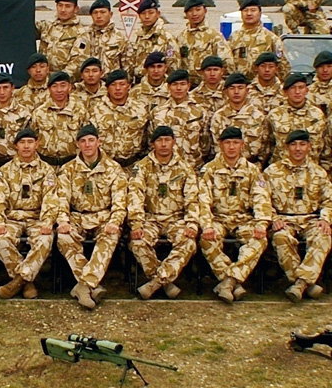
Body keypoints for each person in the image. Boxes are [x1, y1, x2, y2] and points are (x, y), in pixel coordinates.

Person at [56, 124, 127, 309]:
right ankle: (90, 286)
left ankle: (84, 285)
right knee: (64, 237)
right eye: (83, 141)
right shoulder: (68, 169)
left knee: (110, 236)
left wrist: (114, 222)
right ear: (78, 144)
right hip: (78, 217)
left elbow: (120, 202)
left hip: (103, 216)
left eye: (91, 140)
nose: (87, 145)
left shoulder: (113, 168)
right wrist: (63, 221)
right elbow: (61, 198)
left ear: (99, 142)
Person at [198, 126, 272, 303]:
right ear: (220, 145)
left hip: (243, 219)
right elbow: (202, 201)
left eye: (236, 143)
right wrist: (207, 225)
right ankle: (233, 283)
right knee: (206, 240)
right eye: (228, 143)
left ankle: (228, 281)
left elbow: (261, 198)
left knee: (259, 239)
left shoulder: (252, 171)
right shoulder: (208, 170)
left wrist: (261, 223)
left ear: (242, 145)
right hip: (218, 219)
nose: (232, 147)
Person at [128, 125, 199, 300]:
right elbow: (135, 196)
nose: (164, 144)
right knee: (137, 242)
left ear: (174, 142)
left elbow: (192, 198)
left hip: (176, 220)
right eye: (159, 140)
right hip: (150, 219)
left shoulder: (184, 168)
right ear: (153, 144)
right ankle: (166, 282)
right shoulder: (142, 167)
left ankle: (155, 283)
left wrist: (192, 223)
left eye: (167, 140)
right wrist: (136, 223)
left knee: (189, 242)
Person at [264, 129, 332, 301]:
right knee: (280, 238)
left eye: (302, 144)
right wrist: (274, 218)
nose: (298, 149)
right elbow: (262, 200)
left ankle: (300, 283)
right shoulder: (272, 172)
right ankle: (307, 283)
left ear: (309, 147)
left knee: (324, 236)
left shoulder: (318, 173)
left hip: (311, 219)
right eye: (293, 144)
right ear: (287, 147)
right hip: (284, 219)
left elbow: (329, 200)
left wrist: (325, 218)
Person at [0, 128, 58, 299]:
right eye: (22, 143)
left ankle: (17, 281)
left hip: (37, 218)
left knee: (45, 239)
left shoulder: (47, 171)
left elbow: (51, 200)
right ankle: (26, 282)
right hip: (12, 218)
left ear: (37, 144)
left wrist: (48, 222)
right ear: (16, 146)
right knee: (2, 240)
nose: (26, 146)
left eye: (30, 142)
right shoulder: (5, 171)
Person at [266, 73, 330, 170]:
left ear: (307, 90)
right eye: (293, 88)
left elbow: (325, 147)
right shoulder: (275, 115)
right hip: (281, 174)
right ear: (285, 92)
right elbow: (267, 147)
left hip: (311, 172)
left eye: (301, 87)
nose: (297, 92)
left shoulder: (317, 115)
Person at [90, 69, 148, 170]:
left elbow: (147, 139)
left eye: (122, 84)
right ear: (107, 88)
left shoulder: (140, 109)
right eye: (113, 85)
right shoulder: (96, 111)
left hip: (133, 165)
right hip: (105, 167)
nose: (118, 88)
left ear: (129, 86)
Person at [152, 69, 209, 170]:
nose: (178, 88)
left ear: (188, 85)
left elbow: (205, 143)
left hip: (193, 167)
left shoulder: (199, 111)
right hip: (165, 169)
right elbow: (151, 142)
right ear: (168, 87)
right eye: (174, 84)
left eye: (182, 84)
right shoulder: (158, 113)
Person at [30, 70, 89, 168]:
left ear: (69, 87)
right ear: (49, 89)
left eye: (63, 85)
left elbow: (86, 139)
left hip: (73, 165)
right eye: (54, 86)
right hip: (46, 165)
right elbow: (33, 139)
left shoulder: (80, 111)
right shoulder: (39, 113)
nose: (59, 90)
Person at [209, 72, 270, 165]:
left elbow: (265, 147)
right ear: (226, 91)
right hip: (224, 167)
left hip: (253, 167)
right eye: (232, 88)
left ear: (247, 90)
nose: (236, 92)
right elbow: (216, 146)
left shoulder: (258, 117)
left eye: (240, 88)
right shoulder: (219, 117)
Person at [228, 0, 290, 82]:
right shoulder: (234, 37)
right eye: (245, 10)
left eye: (253, 10)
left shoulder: (271, 38)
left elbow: (283, 67)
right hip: (240, 87)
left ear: (260, 13)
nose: (249, 13)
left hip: (263, 88)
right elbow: (228, 63)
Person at [177, 0, 234, 86]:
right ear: (186, 14)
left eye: (198, 9)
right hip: (186, 87)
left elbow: (227, 63)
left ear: (205, 10)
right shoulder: (181, 37)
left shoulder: (215, 36)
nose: (194, 14)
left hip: (207, 86)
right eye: (190, 11)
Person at [72, 0, 129, 77]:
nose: (98, 16)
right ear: (91, 15)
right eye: (95, 13)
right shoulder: (83, 36)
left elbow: (127, 67)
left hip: (111, 85)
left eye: (103, 12)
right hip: (88, 84)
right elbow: (76, 61)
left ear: (110, 14)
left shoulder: (120, 38)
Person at [127, 0, 180, 82]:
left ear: (158, 14)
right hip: (140, 85)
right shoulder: (138, 37)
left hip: (160, 85)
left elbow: (173, 67)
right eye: (143, 13)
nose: (147, 16)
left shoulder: (167, 37)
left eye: (151, 13)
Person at [36, 0, 83, 75]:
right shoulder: (47, 25)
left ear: (76, 9)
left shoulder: (81, 32)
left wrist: (59, 79)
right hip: (42, 78)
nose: (63, 10)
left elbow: (78, 61)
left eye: (67, 6)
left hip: (63, 82)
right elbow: (24, 30)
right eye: (60, 5)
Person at [308, 50, 332, 116]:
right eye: (321, 66)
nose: (325, 70)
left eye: (329, 66)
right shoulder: (307, 92)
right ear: (316, 69)